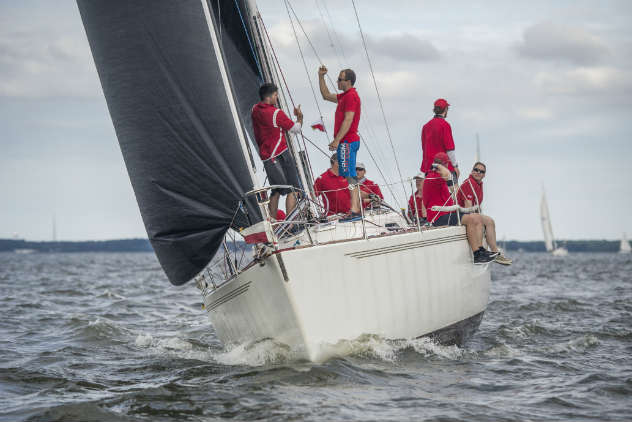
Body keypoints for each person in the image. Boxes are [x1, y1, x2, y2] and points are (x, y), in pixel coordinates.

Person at [424, 152, 498, 264]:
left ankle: (481, 251)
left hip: (446, 213)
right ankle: (477, 254)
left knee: (476, 218)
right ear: (444, 164)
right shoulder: (434, 176)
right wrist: (437, 166)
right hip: (439, 216)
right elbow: (446, 173)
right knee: (472, 219)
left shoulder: (436, 176)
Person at [251, 83, 303, 219]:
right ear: (269, 97)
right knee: (293, 189)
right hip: (280, 156)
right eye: (275, 95)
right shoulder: (276, 113)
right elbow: (296, 129)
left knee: (276, 190)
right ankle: (290, 223)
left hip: (267, 158)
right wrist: (299, 117)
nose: (277, 97)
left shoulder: (254, 110)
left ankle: (273, 223)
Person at [318, 65, 362, 221]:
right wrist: (321, 76)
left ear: (348, 82)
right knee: (349, 176)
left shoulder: (351, 96)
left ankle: (355, 209)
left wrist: (337, 140)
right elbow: (325, 95)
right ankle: (355, 208)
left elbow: (349, 119)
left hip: (348, 141)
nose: (337, 81)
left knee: (350, 176)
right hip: (346, 142)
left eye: (339, 79)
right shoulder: (344, 96)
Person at [457, 162, 512, 265]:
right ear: (472, 171)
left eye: (481, 171)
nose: (478, 172)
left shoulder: (478, 184)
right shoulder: (469, 184)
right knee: (478, 220)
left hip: (471, 213)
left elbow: (476, 206)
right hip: (461, 214)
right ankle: (480, 251)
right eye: (476, 170)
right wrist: (478, 220)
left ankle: (495, 253)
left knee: (490, 221)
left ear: (484, 175)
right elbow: (468, 207)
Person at [421, 99, 460, 186]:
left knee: (433, 196)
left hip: (429, 169)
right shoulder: (445, 125)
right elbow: (450, 149)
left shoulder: (425, 126)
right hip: (445, 169)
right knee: (452, 196)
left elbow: (424, 148)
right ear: (445, 109)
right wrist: (455, 166)